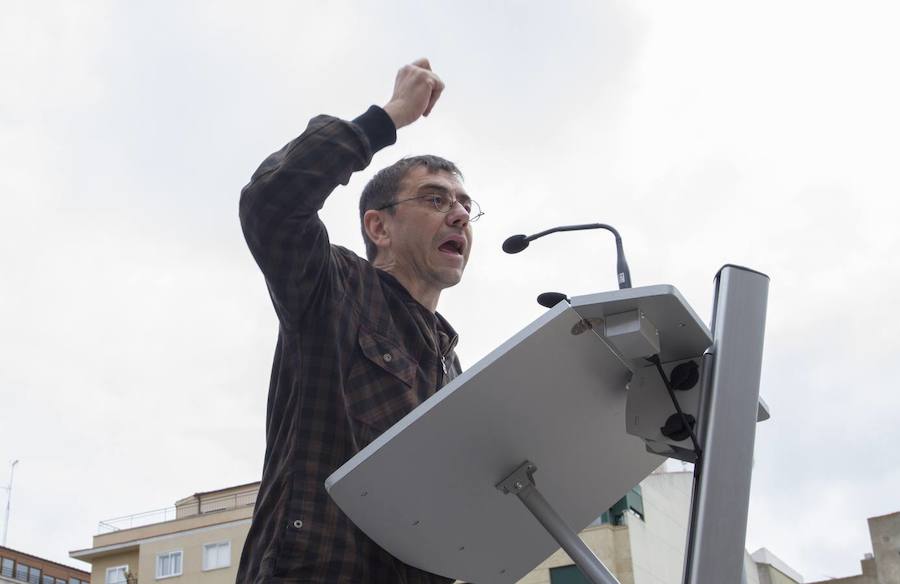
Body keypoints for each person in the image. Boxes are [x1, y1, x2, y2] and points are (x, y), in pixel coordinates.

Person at [236, 58, 479, 583]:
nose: (459, 214)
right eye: (435, 199)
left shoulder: (451, 364)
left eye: (464, 205)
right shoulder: (334, 285)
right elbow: (271, 203)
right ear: (379, 227)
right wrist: (388, 117)